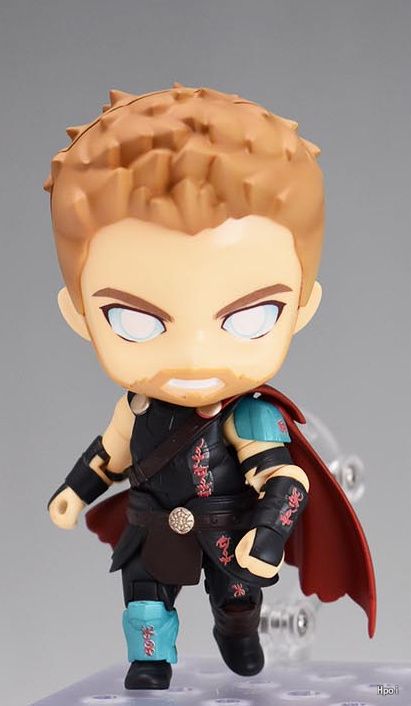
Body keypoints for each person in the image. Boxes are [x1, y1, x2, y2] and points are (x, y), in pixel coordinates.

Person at [46, 84, 376, 690]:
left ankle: (238, 631)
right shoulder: (136, 406)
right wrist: (75, 490)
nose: (195, 355)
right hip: (152, 523)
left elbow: (285, 478)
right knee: (145, 603)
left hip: (229, 526)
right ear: (80, 315)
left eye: (250, 318)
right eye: (135, 321)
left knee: (237, 598)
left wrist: (269, 533)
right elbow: (108, 454)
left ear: (301, 307)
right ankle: (151, 660)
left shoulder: (248, 413)